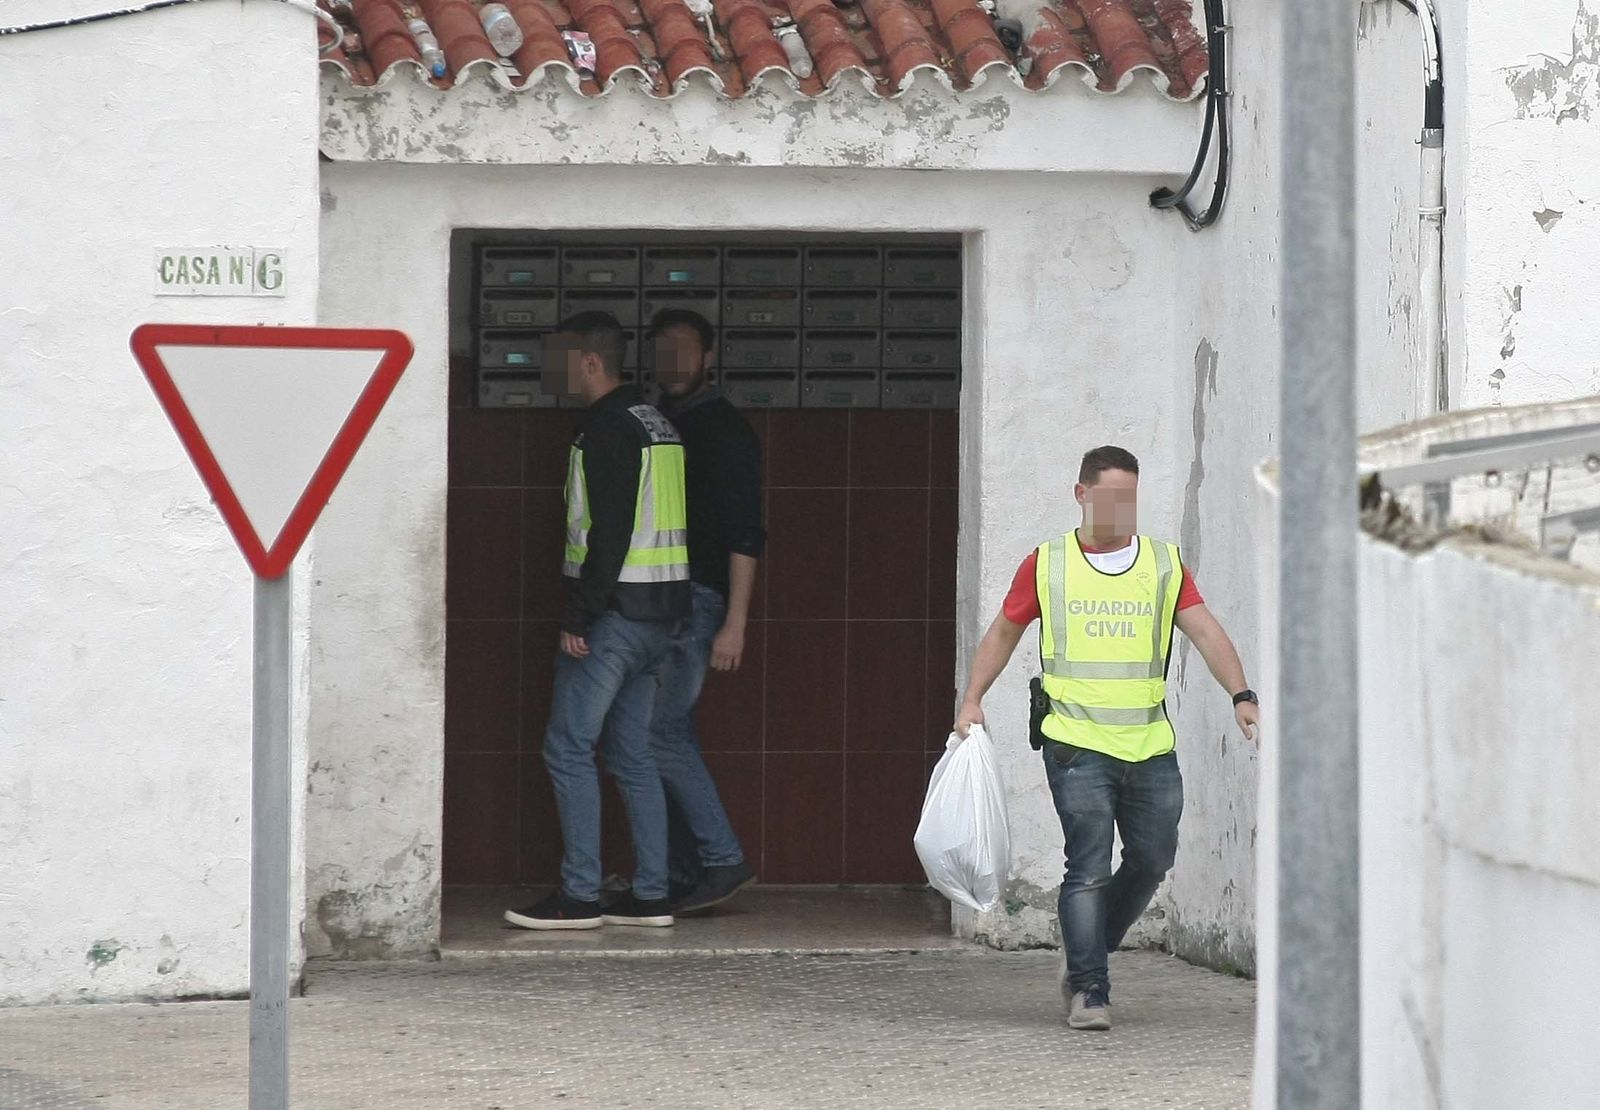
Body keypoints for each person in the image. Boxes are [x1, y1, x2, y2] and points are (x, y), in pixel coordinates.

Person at [953, 445, 1259, 1031]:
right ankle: (1090, 990)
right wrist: (972, 698)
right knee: (1087, 867)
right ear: (1082, 495)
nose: (1122, 508)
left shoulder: (1164, 565)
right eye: (1112, 496)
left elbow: (1208, 633)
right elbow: (1003, 631)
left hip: (1148, 745)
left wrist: (1241, 696)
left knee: (1152, 859)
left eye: (1131, 497)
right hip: (1074, 745)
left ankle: (1085, 947)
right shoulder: (1047, 564)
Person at [505, 312, 691, 931]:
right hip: (661, 616)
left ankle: (580, 895)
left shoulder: (609, 429)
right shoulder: (656, 423)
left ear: (589, 362)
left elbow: (609, 532)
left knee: (567, 747)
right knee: (632, 752)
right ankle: (651, 893)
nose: (549, 372)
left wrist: (580, 614)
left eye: (559, 359)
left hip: (613, 618)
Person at [646, 308, 763, 914]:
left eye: (684, 349)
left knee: (657, 733)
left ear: (709, 357)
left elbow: (747, 534)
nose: (673, 360)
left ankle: (720, 859)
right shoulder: (663, 422)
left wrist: (734, 623)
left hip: (697, 602)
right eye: (662, 348)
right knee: (659, 735)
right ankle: (676, 871)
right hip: (663, 602)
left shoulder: (722, 429)